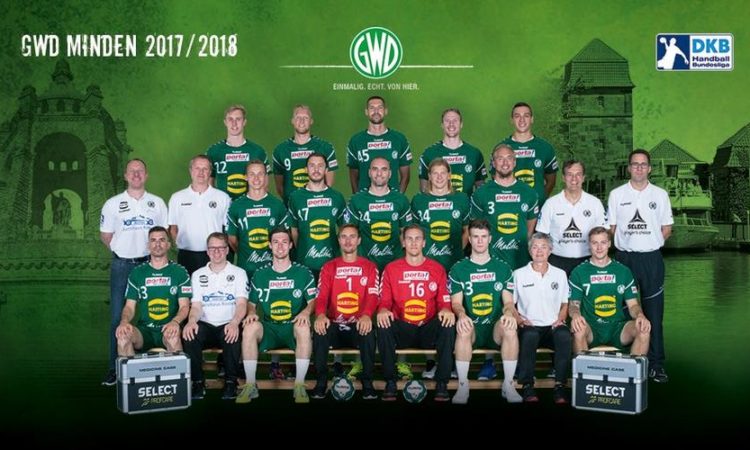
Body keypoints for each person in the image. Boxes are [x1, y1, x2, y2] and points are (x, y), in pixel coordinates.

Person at [99, 158, 168, 386]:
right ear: (125, 176)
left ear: (146, 175)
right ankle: (114, 368)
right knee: (118, 317)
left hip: (150, 264)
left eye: (140, 171)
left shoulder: (157, 203)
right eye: (132, 171)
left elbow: (163, 235)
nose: (136, 174)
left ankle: (161, 366)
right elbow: (106, 236)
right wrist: (123, 251)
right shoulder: (112, 204)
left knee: (155, 314)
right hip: (122, 265)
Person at [607, 149, 672, 383]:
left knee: (653, 314)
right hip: (625, 260)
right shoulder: (616, 194)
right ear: (629, 168)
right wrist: (630, 246)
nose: (639, 168)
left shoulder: (660, 195)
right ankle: (624, 361)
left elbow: (666, 229)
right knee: (623, 312)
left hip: (651, 260)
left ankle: (656, 364)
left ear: (650, 168)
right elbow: (611, 229)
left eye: (643, 164)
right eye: (635, 164)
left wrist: (649, 244)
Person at [236, 227, 317, 404]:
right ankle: (250, 384)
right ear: (270, 245)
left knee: (304, 327)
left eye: (284, 242)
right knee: (249, 327)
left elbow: (313, 301)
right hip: (269, 327)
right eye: (276, 242)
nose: (280, 246)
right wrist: (251, 313)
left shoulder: (303, 272)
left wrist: (305, 312)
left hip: (292, 326)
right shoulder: (260, 274)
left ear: (291, 245)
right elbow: (251, 304)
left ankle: (299, 385)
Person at [377, 224, 455, 402]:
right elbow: (385, 301)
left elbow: (443, 301)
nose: (413, 242)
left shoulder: (437, 268)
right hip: (403, 328)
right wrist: (383, 310)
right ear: (403, 242)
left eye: (417, 238)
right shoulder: (391, 269)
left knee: (448, 323)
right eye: (409, 239)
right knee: (383, 324)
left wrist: (446, 309)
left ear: (424, 242)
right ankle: (390, 381)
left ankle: (442, 383)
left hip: (427, 328)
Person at [449, 219, 522, 404]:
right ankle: (463, 386)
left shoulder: (503, 268)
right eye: (475, 237)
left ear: (490, 238)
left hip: (494, 328)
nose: (480, 241)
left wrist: (508, 313)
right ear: (470, 239)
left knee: (510, 327)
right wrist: (461, 315)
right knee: (463, 328)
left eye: (483, 236)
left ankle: (508, 384)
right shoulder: (458, 269)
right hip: (473, 327)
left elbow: (508, 302)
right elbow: (456, 303)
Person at [311, 224, 379, 400]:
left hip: (358, 325)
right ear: (339, 240)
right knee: (319, 330)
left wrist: (367, 315)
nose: (348, 241)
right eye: (344, 237)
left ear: (359, 240)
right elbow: (322, 296)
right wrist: (320, 315)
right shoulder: (328, 267)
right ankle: (321, 382)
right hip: (335, 324)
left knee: (368, 331)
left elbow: (373, 295)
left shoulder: (370, 267)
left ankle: (368, 383)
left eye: (352, 236)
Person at [182, 232, 248, 401]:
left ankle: (231, 382)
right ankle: (197, 382)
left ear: (227, 250)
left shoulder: (239, 273)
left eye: (220, 248)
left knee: (232, 334)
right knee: (190, 334)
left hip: (228, 323)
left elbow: (242, 304)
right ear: (207, 251)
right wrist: (191, 321)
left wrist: (234, 323)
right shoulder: (198, 274)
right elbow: (196, 306)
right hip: (206, 324)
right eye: (212, 248)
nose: (216, 252)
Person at [568, 227, 651, 359]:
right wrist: (576, 315)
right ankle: (583, 371)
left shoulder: (623, 271)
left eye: (603, 242)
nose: (599, 247)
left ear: (609, 244)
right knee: (578, 329)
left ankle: (634, 371)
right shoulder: (579, 272)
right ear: (589, 245)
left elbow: (633, 305)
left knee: (643, 329)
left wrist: (640, 315)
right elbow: (573, 305)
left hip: (617, 328)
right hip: (591, 327)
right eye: (595, 243)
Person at [513, 232, 572, 404]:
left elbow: (565, 303)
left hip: (552, 326)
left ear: (550, 250)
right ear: (529, 250)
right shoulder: (518, 274)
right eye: (535, 247)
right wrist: (520, 320)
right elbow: (510, 305)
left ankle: (560, 386)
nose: (539, 251)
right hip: (529, 326)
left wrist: (561, 318)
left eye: (543, 247)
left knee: (564, 335)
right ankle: (527, 385)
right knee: (530, 335)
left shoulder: (560, 274)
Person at [115, 226, 190, 358]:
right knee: (123, 336)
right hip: (144, 331)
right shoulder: (137, 273)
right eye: (153, 240)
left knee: (173, 337)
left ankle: (174, 373)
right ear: (148, 245)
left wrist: (175, 322)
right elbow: (129, 307)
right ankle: (132, 372)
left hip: (168, 328)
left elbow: (184, 306)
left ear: (168, 245)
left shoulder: (180, 272)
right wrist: (124, 322)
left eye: (162, 240)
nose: (157, 244)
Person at [470, 144, 539, 270]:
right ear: (494, 163)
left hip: (521, 263)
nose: (505, 163)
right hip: (491, 263)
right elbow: (476, 230)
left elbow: (529, 230)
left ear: (514, 162)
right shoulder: (481, 193)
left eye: (509, 158)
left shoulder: (529, 193)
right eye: (500, 159)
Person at [536, 160, 607, 276]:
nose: (574, 179)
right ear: (563, 178)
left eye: (578, 174)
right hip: (557, 261)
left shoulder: (595, 203)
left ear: (583, 178)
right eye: (569, 174)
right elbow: (541, 236)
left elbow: (603, 234)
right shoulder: (551, 204)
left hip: (587, 261)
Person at [343, 157, 412, 272]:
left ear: (390, 174)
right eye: (375, 169)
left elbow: (407, 233)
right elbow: (348, 233)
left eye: (384, 169)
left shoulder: (401, 200)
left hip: (394, 266)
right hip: (365, 266)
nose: (379, 173)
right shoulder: (356, 200)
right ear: (369, 173)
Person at [168, 155, 231, 275]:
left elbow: (227, 229)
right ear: (191, 171)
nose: (201, 172)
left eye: (205, 169)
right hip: (186, 255)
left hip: (214, 254)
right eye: (197, 168)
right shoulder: (177, 198)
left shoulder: (223, 198)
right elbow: (173, 228)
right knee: (187, 287)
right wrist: (182, 244)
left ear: (210, 172)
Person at [288, 153, 346, 281]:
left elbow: (345, 230)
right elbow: (294, 231)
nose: (316, 169)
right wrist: (303, 249)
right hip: (304, 265)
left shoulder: (337, 197)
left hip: (331, 264)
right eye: (312, 166)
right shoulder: (295, 197)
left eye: (320, 166)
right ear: (306, 169)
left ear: (326, 170)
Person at [226, 159, 289, 278]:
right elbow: (232, 239)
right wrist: (245, 254)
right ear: (245, 177)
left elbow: (284, 237)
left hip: (272, 269)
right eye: (252, 174)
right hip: (245, 269)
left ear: (266, 176)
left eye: (260, 174)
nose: (256, 178)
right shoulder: (236, 206)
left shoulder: (277, 205)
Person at [411, 158, 470, 271]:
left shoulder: (461, 199)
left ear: (449, 175)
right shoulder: (419, 200)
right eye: (435, 173)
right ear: (429, 176)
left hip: (454, 264)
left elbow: (467, 230)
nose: (439, 177)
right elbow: (413, 233)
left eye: (443, 173)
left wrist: (456, 252)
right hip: (426, 265)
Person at [272, 105, 338, 204]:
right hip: (291, 207)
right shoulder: (280, 150)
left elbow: (328, 184)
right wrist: (294, 203)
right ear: (292, 121)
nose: (301, 121)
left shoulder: (326, 147)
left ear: (311, 121)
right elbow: (280, 188)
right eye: (298, 117)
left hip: (317, 205)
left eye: (305, 118)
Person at [347, 96, 412, 193]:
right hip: (365, 200)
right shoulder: (355, 141)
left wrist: (398, 198)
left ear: (386, 111)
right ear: (366, 112)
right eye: (372, 108)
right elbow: (353, 176)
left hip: (392, 200)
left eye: (380, 108)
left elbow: (405, 176)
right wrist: (358, 199)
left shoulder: (399, 139)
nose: (376, 111)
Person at [498, 102, 558, 205]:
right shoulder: (501, 148)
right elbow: (496, 179)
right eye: (517, 116)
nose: (522, 120)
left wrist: (540, 199)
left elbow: (551, 181)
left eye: (526, 116)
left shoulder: (545, 148)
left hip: (537, 209)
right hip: (510, 207)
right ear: (512, 120)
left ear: (532, 119)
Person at [206, 104, 270, 200]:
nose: (234, 123)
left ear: (244, 122)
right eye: (230, 119)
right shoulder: (214, 151)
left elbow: (265, 185)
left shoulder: (257, 151)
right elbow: (208, 185)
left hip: (248, 205)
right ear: (225, 122)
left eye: (238, 119)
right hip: (223, 205)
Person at [418, 108, 486, 196]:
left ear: (461, 124)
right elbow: (424, 189)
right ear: (442, 125)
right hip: (439, 204)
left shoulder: (474, 153)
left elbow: (480, 188)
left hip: (466, 204)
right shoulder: (429, 153)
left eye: (455, 120)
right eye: (447, 121)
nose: (451, 124)